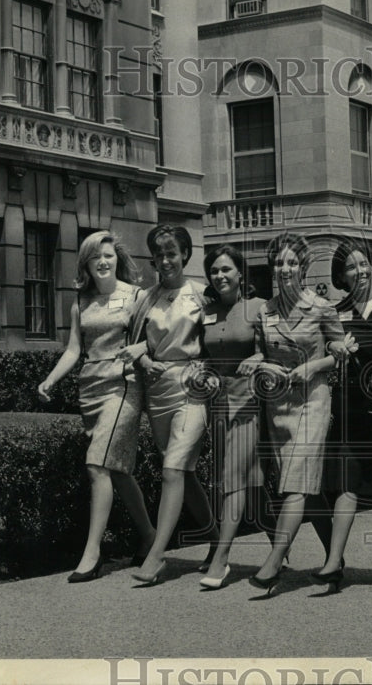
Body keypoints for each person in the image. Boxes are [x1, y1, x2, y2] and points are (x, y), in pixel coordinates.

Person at [37, 231, 156, 583]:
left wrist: (142, 349)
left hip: (125, 387)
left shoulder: (137, 296)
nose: (103, 262)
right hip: (91, 387)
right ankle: (149, 536)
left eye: (108, 255)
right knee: (117, 470)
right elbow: (74, 349)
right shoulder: (80, 300)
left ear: (117, 258)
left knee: (96, 465)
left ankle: (92, 554)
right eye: (95, 257)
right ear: (86, 264)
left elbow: (158, 336)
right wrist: (50, 379)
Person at [248, 231, 353, 596]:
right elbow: (263, 353)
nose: (285, 268)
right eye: (279, 262)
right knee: (310, 488)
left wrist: (320, 361)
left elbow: (339, 348)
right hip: (279, 407)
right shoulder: (265, 310)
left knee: (295, 481)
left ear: (303, 267)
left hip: (313, 400)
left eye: (292, 262)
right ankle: (334, 564)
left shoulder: (321, 307)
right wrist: (258, 363)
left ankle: (274, 563)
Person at [130, 225, 219, 585]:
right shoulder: (145, 299)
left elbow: (219, 340)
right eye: (160, 253)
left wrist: (207, 369)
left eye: (172, 253)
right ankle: (216, 540)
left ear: (185, 254)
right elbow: (134, 344)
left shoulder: (201, 296)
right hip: (158, 392)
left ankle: (156, 555)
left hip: (191, 388)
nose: (165, 260)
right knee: (183, 472)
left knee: (172, 469)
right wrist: (144, 360)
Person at [312, 238, 372, 593]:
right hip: (350, 408)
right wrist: (336, 347)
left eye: (364, 264)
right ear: (341, 276)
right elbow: (326, 351)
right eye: (351, 267)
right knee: (346, 485)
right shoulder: (337, 311)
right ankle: (334, 562)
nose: (359, 271)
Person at [195, 244, 271, 590]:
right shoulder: (207, 312)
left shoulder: (260, 307)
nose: (220, 276)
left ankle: (221, 558)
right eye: (214, 271)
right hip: (218, 406)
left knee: (232, 480)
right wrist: (201, 369)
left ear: (241, 273)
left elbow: (275, 350)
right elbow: (204, 354)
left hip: (250, 403)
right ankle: (278, 544)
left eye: (226, 269)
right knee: (247, 481)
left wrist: (259, 358)